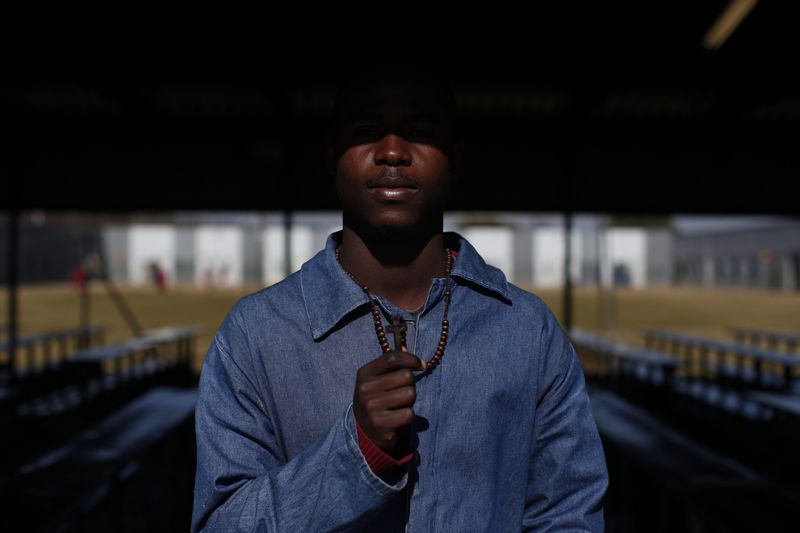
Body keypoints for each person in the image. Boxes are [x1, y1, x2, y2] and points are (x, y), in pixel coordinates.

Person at [191, 68, 608, 532]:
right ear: (331, 155)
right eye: (366, 132)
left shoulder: (528, 330)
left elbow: (569, 514)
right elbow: (220, 524)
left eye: (421, 132)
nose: (392, 152)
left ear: (456, 157)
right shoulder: (255, 334)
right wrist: (357, 454)